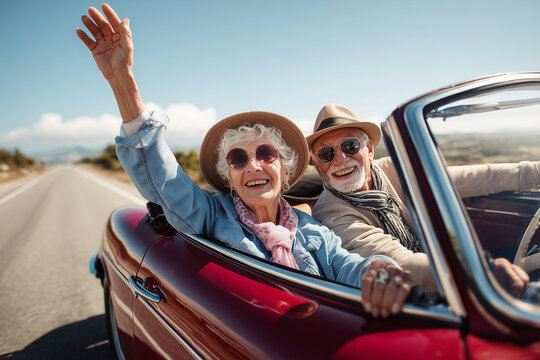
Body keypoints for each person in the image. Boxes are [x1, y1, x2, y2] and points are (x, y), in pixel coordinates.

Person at [76, 3, 416, 318]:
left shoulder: (313, 230)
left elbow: (349, 267)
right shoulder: (211, 216)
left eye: (266, 154)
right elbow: (164, 181)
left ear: (284, 170)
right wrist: (122, 80)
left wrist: (379, 270)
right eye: (238, 159)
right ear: (230, 175)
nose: (253, 165)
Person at [306, 103, 535, 296]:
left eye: (349, 145)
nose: (340, 159)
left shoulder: (395, 170)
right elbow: (399, 263)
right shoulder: (331, 215)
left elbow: (476, 178)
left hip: (441, 263)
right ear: (318, 167)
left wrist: (533, 173)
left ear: (370, 150)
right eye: (327, 154)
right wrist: (476, 273)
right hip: (419, 294)